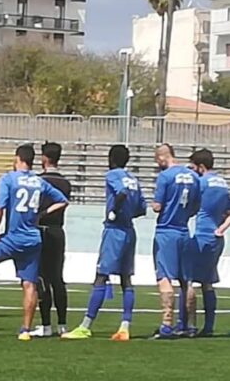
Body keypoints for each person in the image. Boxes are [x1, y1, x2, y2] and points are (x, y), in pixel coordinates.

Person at [0, 144, 68, 341]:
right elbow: (62, 201)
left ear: (18, 158)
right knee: (29, 285)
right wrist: (42, 214)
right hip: (32, 240)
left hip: (12, 239)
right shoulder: (39, 181)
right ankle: (25, 331)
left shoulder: (9, 179)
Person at [62, 144, 146, 341]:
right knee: (126, 279)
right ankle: (125, 326)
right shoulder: (134, 179)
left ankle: (85, 326)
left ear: (111, 159)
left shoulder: (113, 175)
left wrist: (115, 210)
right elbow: (142, 209)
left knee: (101, 276)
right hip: (129, 230)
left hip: (114, 231)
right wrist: (127, 213)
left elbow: (121, 192)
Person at [151, 143, 200, 339]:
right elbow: (196, 206)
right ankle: (191, 325)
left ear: (162, 158)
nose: (158, 165)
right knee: (186, 281)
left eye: (157, 161)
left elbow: (157, 206)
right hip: (183, 231)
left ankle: (166, 324)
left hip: (166, 231)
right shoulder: (194, 177)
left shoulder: (165, 176)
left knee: (164, 277)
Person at [184, 148, 228, 337]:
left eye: (193, 167)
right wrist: (221, 229)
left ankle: (189, 325)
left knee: (189, 281)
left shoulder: (201, 183)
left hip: (202, 236)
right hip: (216, 238)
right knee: (208, 283)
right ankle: (208, 327)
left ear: (201, 167)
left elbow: (189, 205)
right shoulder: (223, 183)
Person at [31, 141, 72, 337]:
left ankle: (46, 325)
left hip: (40, 229)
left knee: (41, 277)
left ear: (44, 159)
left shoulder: (38, 181)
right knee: (57, 278)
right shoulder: (65, 183)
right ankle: (62, 324)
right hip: (57, 231)